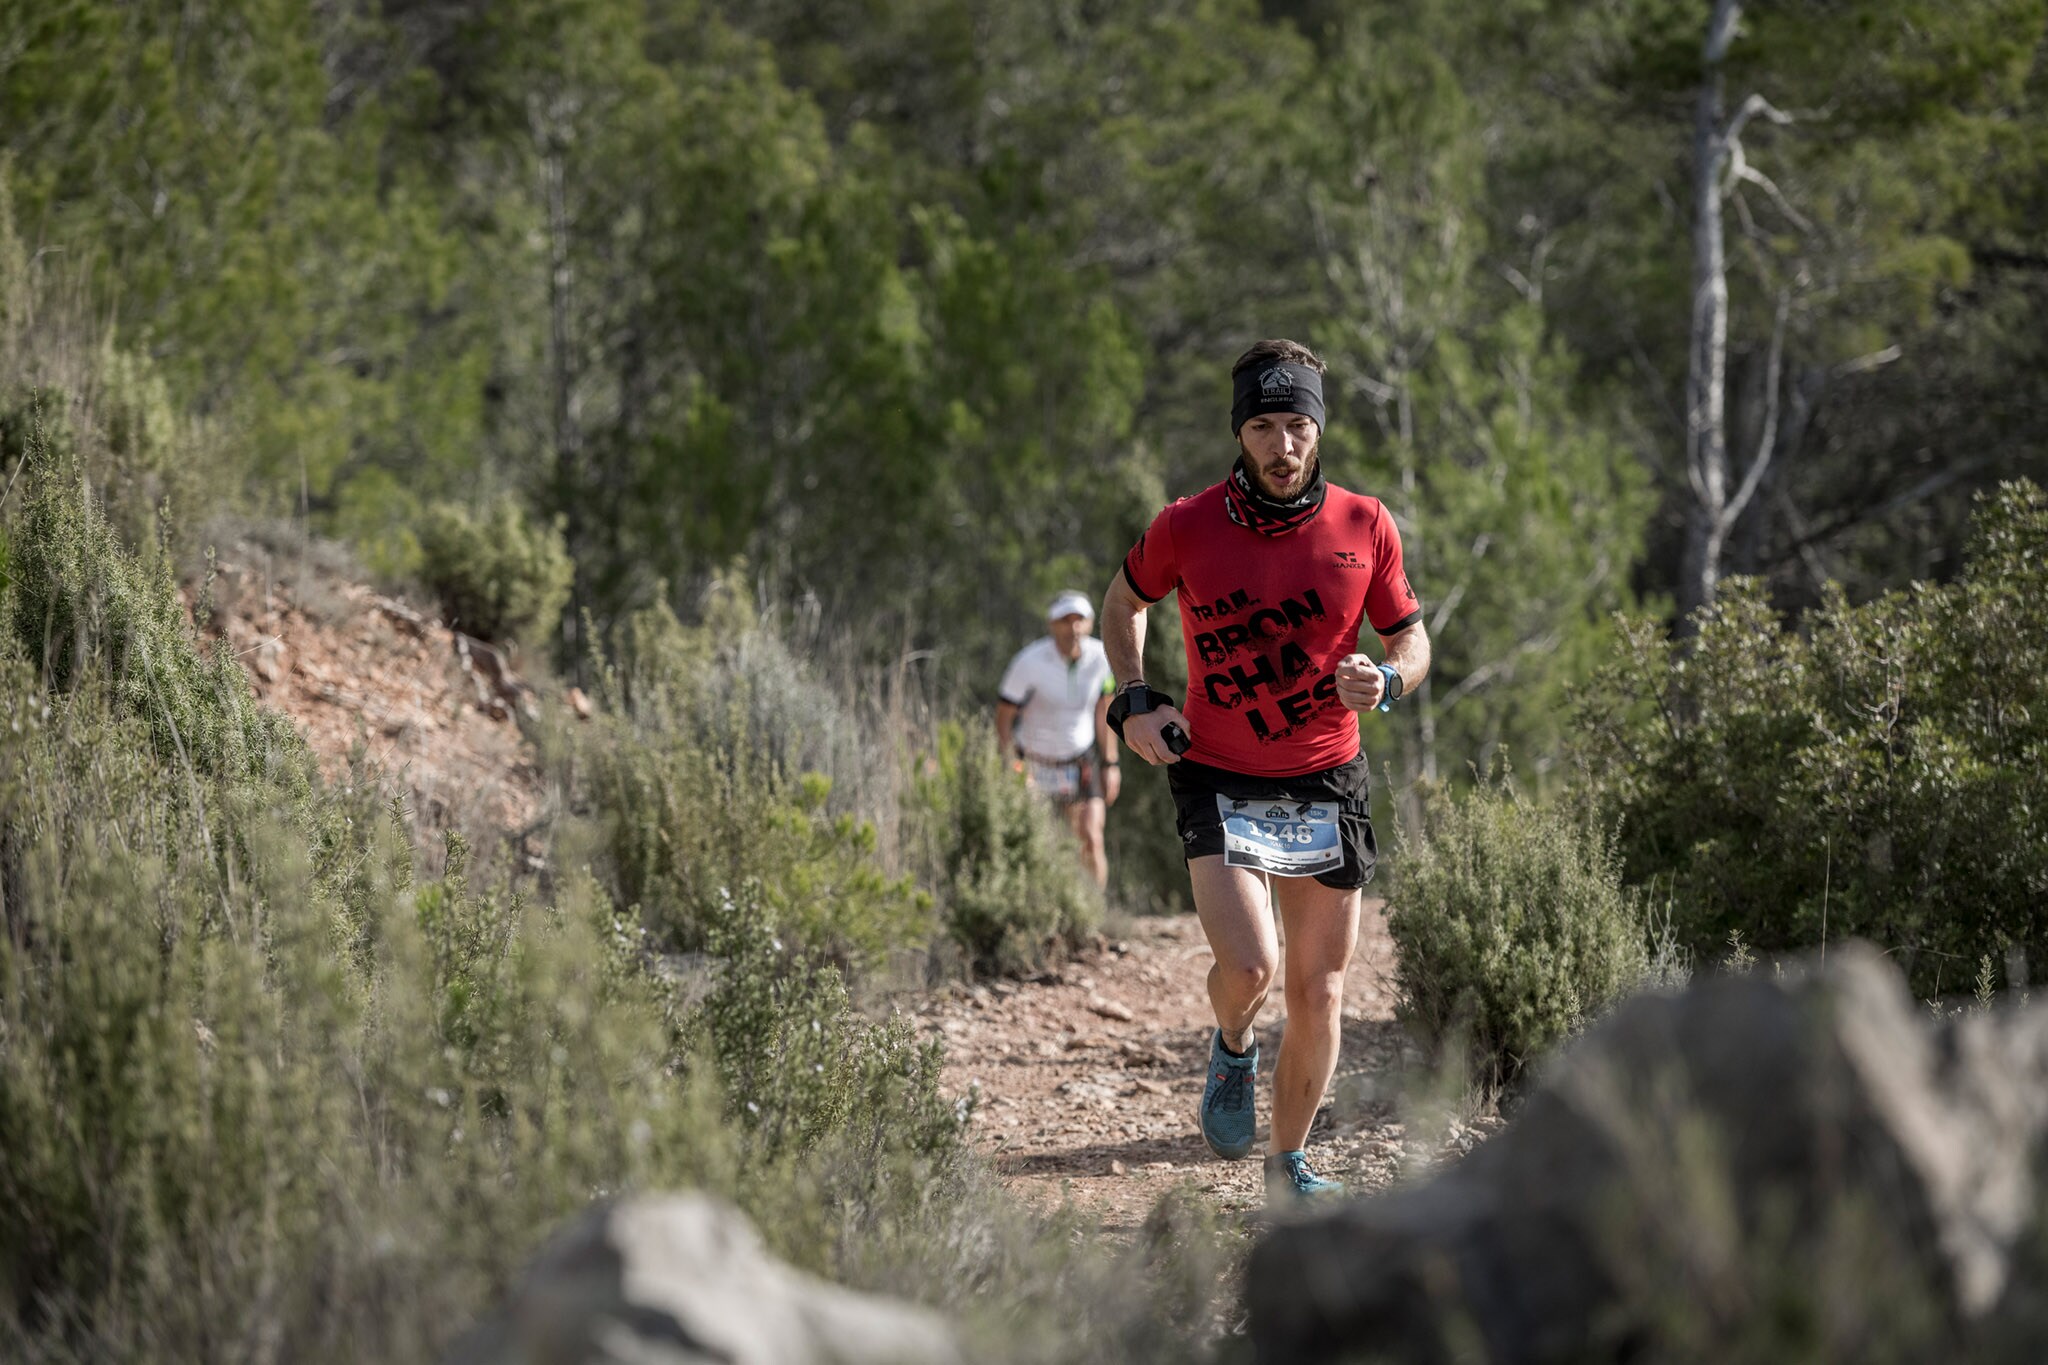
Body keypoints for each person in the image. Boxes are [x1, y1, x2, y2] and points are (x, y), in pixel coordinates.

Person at [1100, 339, 1431, 1206]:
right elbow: (1123, 600)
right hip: (1216, 771)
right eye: (1262, 427)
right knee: (1250, 969)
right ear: (1239, 432)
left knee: (1320, 992)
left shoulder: (1366, 524)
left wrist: (1389, 679)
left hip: (1327, 777)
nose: (1282, 447)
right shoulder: (1186, 524)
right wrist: (1133, 699)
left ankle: (1288, 1168)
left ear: (1318, 429)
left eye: (1297, 426)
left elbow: (1411, 637)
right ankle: (1233, 1043)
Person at [995, 590, 1122, 886]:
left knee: (1091, 836)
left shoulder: (1101, 657)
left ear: (1090, 624)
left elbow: (1105, 710)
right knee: (1038, 844)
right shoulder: (1028, 662)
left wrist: (1111, 763)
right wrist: (1012, 765)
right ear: (1052, 624)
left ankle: (1095, 917)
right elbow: (1003, 718)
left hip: (1080, 759)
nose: (1073, 628)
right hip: (1034, 762)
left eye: (1079, 620)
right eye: (1065, 621)